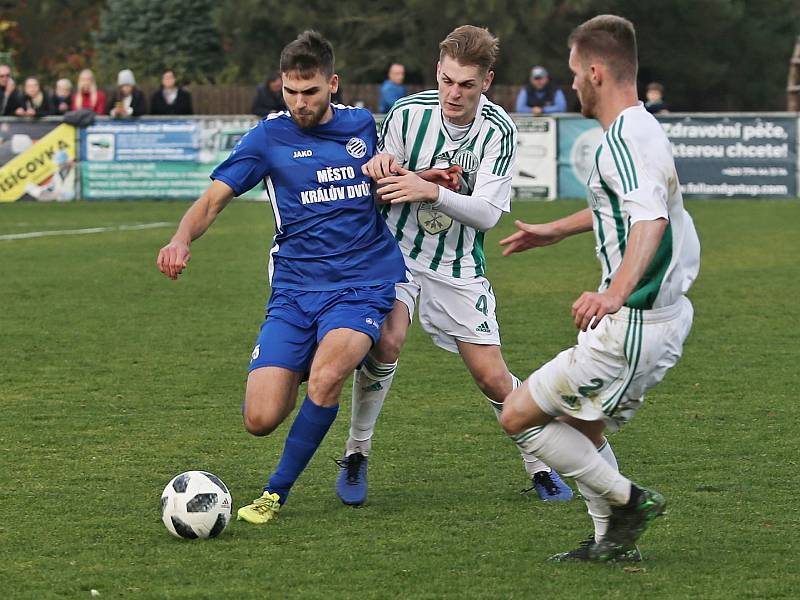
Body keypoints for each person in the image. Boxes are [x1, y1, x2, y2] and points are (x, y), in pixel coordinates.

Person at [156, 30, 407, 526]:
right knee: (261, 419)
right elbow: (212, 200)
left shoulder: (365, 126)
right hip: (294, 290)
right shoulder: (269, 137)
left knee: (328, 376)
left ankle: (275, 493)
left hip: (362, 282)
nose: (299, 103)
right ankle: (320, 355)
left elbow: (399, 173)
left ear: (332, 84)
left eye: (310, 92)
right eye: (290, 92)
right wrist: (181, 239)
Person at [333, 25, 572, 507]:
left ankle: (539, 463)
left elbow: (487, 213)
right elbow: (382, 182)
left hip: (458, 263)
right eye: (446, 80)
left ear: (487, 80)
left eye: (466, 84)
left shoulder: (499, 129)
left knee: (492, 377)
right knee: (387, 340)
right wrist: (389, 170)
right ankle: (356, 452)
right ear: (437, 72)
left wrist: (431, 192)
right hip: (395, 252)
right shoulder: (407, 113)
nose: (453, 93)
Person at [499, 14, 700, 562]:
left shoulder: (623, 142)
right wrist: (555, 231)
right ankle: (613, 541)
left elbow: (650, 220)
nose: (570, 85)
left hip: (635, 321)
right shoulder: (638, 127)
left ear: (594, 71)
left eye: (572, 73)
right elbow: (619, 207)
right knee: (578, 424)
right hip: (657, 317)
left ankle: (628, 501)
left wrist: (614, 293)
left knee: (518, 417)